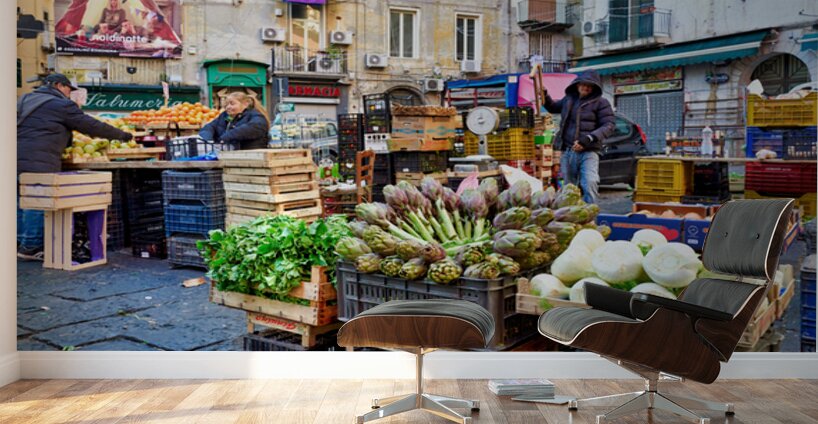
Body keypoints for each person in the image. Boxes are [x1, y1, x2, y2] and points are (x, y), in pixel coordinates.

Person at [17, 73, 133, 260]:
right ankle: (31, 246)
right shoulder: (60, 104)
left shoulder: (24, 100)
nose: (69, 93)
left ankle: (19, 242)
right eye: (68, 89)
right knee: (36, 202)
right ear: (57, 85)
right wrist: (122, 135)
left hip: (14, 156)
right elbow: (91, 126)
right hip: (38, 159)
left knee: (20, 201)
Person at [543, 69, 615, 204]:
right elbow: (553, 107)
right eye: (583, 84)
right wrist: (545, 96)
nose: (585, 87)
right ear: (577, 85)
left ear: (594, 88)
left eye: (589, 85)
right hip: (568, 151)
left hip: (589, 151)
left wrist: (589, 138)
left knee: (590, 182)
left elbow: (609, 125)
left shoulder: (601, 103)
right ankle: (572, 218)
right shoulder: (569, 100)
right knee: (569, 188)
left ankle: (591, 216)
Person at [199, 92, 270, 150]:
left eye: (232, 104)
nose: (228, 107)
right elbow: (210, 127)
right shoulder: (226, 117)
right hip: (229, 156)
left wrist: (226, 136)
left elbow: (254, 127)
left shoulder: (255, 116)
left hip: (251, 157)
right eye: (226, 105)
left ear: (245, 104)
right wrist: (207, 140)